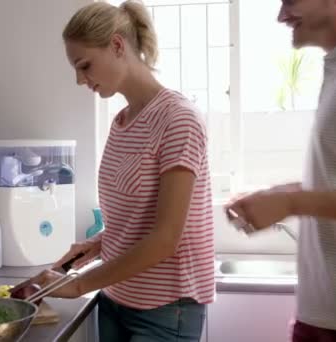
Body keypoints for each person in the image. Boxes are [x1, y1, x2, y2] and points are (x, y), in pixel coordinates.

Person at [26, 1, 215, 341]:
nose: (80, 79)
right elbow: (136, 220)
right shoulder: (122, 123)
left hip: (164, 312)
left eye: (84, 66)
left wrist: (78, 284)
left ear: (116, 46)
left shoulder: (178, 119)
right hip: (115, 299)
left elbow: (165, 239)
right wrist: (98, 244)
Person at [226, 0, 336, 340]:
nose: (280, 15)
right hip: (327, 315)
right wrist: (278, 197)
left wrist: (295, 202)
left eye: (290, 1)